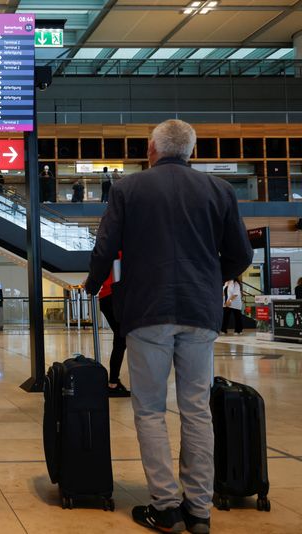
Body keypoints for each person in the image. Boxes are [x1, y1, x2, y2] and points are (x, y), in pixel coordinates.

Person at [84, 119, 252, 533]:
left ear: (151, 149)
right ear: (190, 152)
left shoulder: (128, 189)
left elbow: (105, 247)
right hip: (199, 312)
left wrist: (92, 285)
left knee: (151, 409)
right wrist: (213, 278)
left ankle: (166, 505)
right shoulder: (220, 190)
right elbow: (241, 254)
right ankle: (199, 510)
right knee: (196, 410)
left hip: (147, 311)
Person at [98, 253, 129, 397]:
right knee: (122, 339)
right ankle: (113, 382)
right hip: (115, 296)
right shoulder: (124, 249)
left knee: (121, 339)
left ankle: (113, 382)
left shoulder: (113, 248)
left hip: (107, 297)